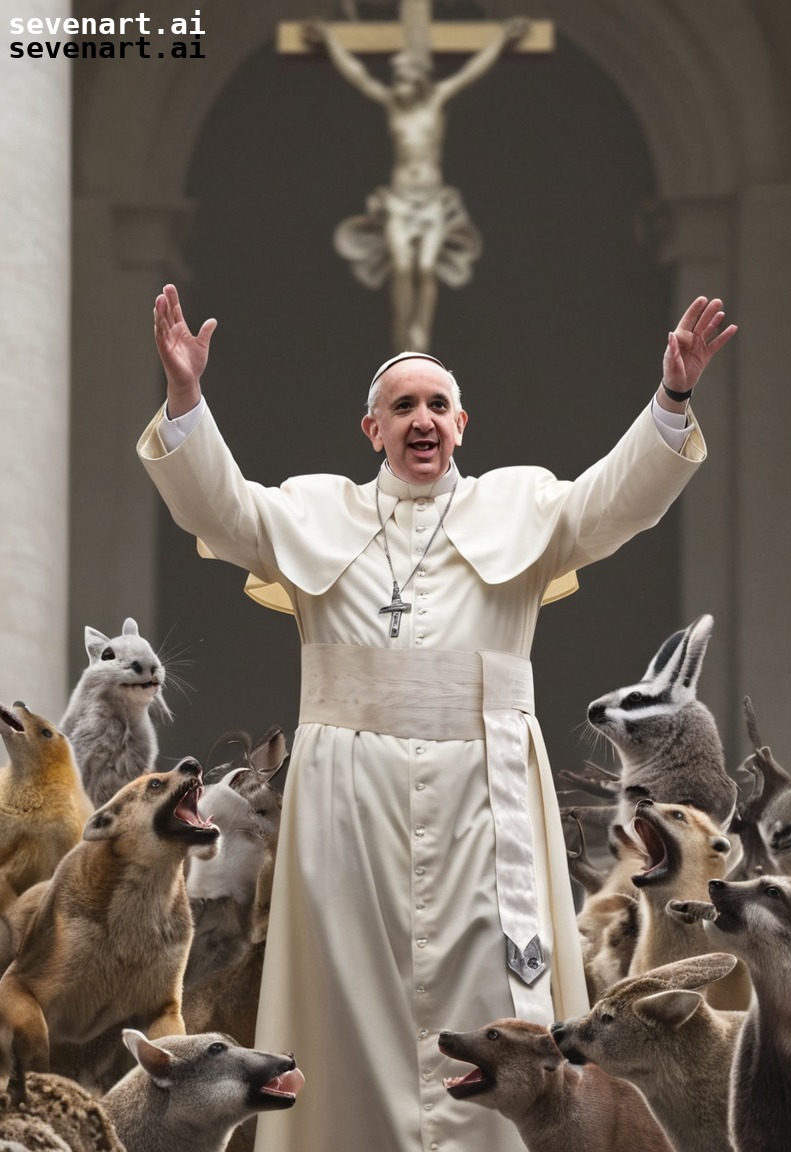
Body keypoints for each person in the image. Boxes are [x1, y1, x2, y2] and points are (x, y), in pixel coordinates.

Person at [138, 284, 736, 1152]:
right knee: (352, 1010)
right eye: (402, 406)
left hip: (483, 799)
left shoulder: (523, 513)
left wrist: (671, 400)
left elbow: (617, 502)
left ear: (463, 424)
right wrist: (188, 398)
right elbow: (218, 508)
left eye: (438, 405)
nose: (422, 419)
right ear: (371, 430)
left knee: (494, 998)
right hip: (348, 802)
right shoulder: (315, 516)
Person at [303, 17, 530, 352]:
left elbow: (471, 72)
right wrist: (330, 40)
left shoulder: (436, 102)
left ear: (419, 81)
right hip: (399, 200)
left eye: (404, 78)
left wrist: (502, 40)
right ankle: (401, 338)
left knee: (425, 268)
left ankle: (419, 335)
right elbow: (357, 74)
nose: (398, 83)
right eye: (396, 78)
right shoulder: (394, 107)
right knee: (402, 266)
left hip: (432, 202)